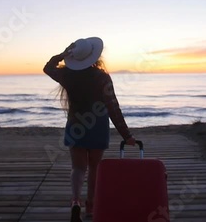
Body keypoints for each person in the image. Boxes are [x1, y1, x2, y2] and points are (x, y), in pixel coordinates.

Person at [43, 37, 136, 222]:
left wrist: (62, 54)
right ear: (94, 56)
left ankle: (75, 201)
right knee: (94, 168)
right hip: (97, 128)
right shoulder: (102, 77)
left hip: (76, 126)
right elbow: (113, 107)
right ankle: (90, 208)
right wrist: (127, 136)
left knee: (78, 168)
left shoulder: (67, 75)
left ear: (75, 57)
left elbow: (48, 68)